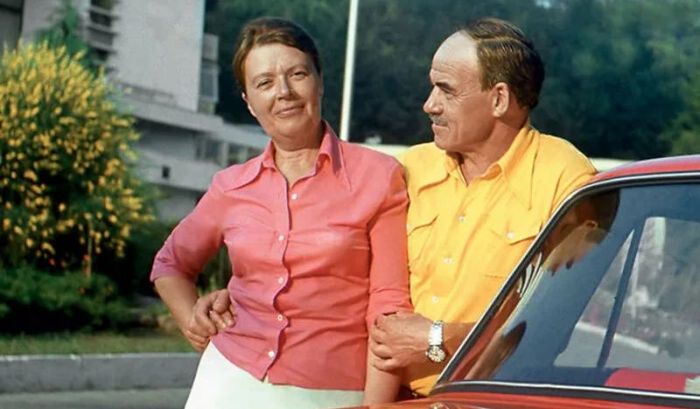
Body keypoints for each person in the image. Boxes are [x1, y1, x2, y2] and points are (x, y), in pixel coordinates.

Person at [149, 17, 411, 408]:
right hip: (228, 378)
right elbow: (170, 264)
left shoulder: (378, 176)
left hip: (331, 389)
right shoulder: (230, 186)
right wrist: (193, 321)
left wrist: (376, 406)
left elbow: (387, 305)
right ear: (248, 102)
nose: (284, 92)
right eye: (265, 82)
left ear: (320, 82)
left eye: (297, 74)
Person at [368, 17, 597, 398]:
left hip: (489, 401)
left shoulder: (567, 180)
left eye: (446, 90)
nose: (429, 105)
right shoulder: (409, 169)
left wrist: (437, 338)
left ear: (499, 99)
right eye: (432, 88)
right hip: (388, 397)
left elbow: (551, 325)